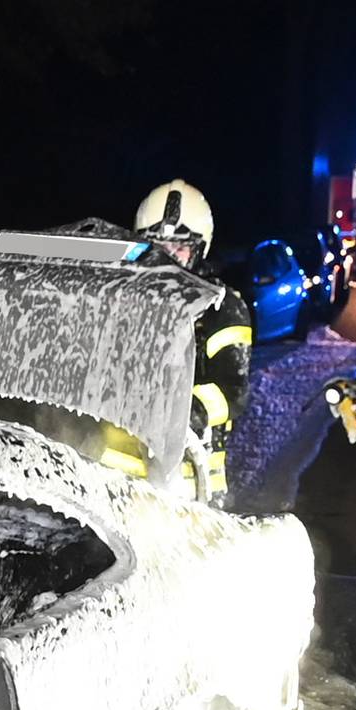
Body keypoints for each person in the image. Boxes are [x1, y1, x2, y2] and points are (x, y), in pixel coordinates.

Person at [100, 180, 253, 500]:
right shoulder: (121, 301)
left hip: (190, 485)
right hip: (114, 482)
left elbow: (233, 391)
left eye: (180, 249)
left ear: (199, 250)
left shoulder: (221, 307)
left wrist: (185, 412)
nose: (168, 259)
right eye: (159, 248)